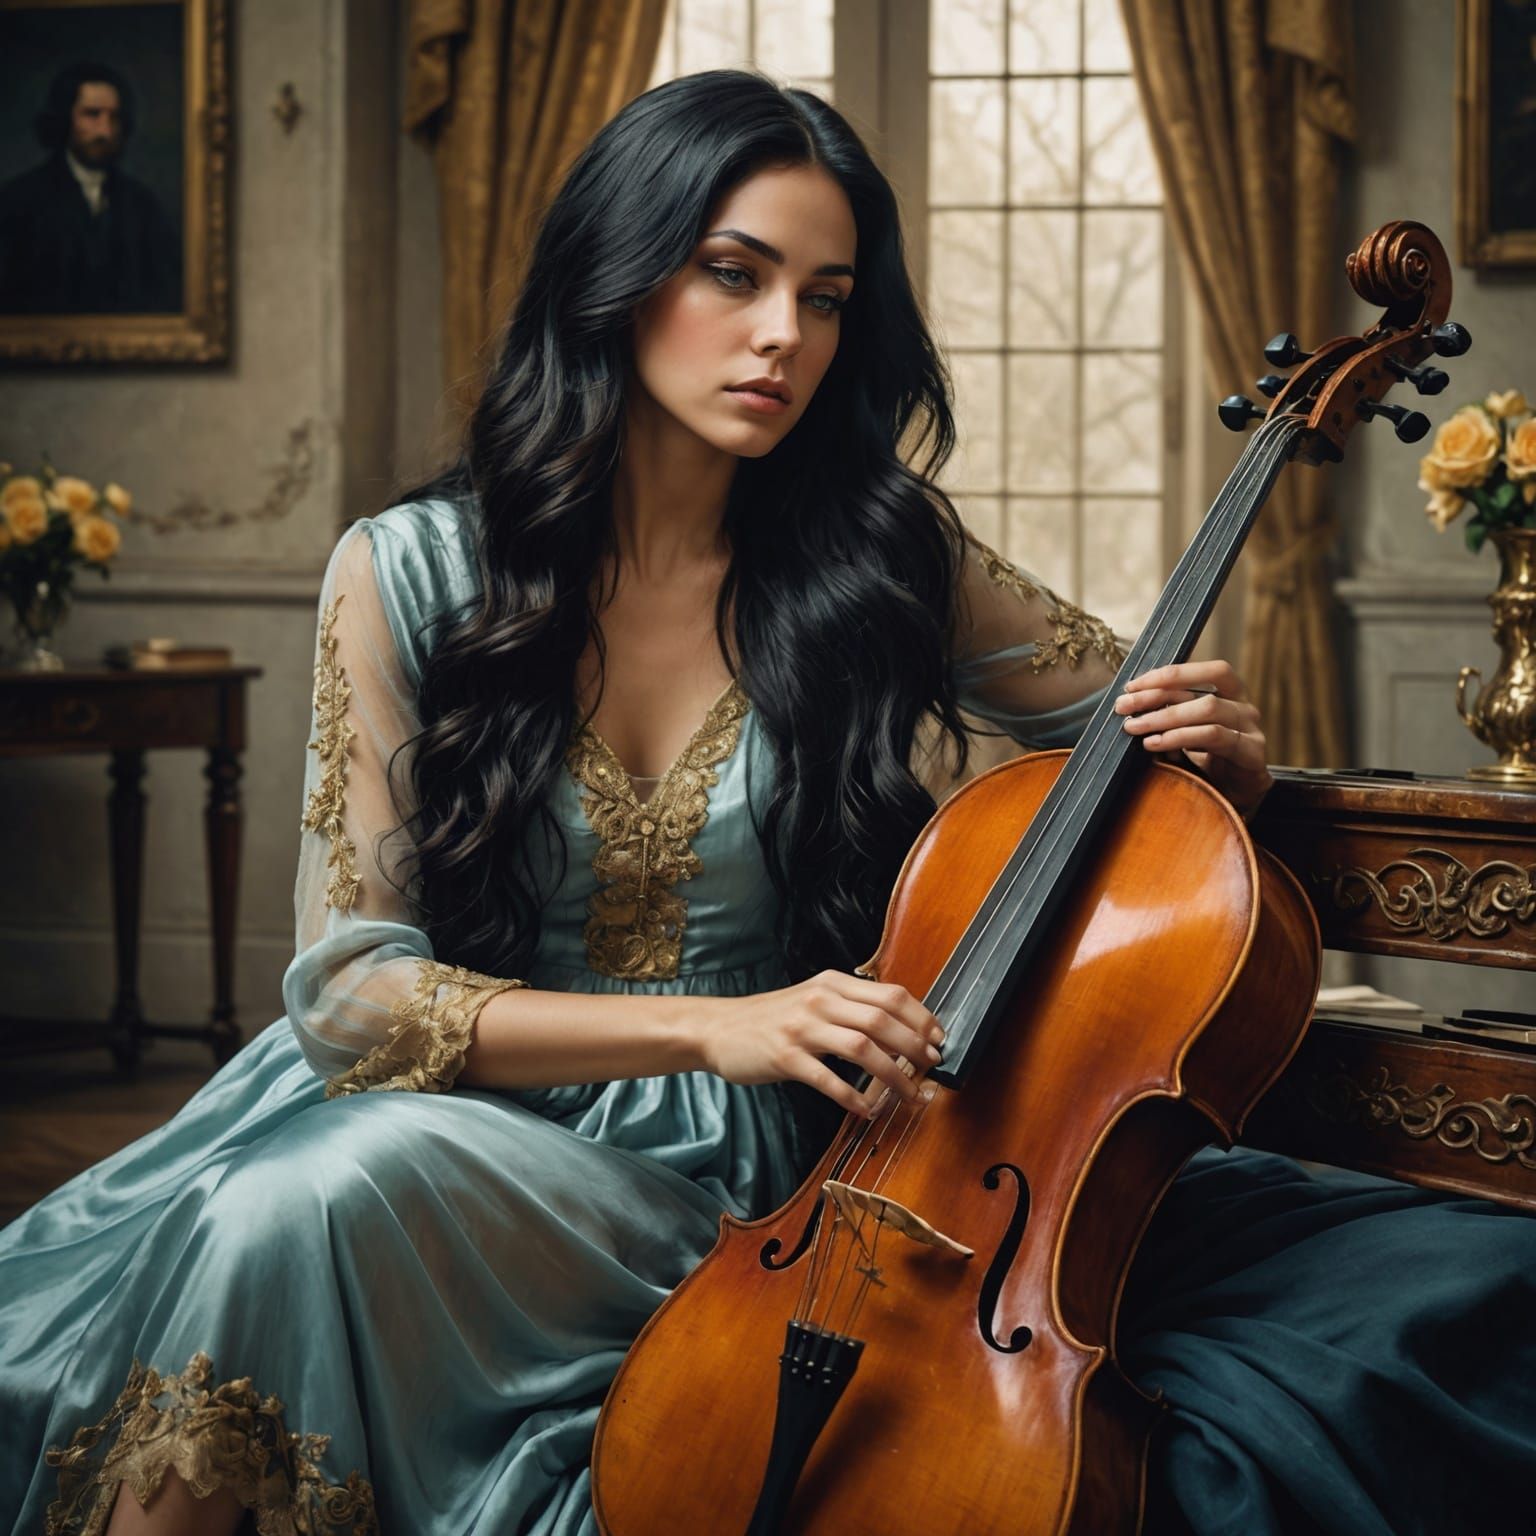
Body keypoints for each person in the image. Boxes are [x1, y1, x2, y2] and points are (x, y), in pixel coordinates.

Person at [2, 67, 1534, 1536]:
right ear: (620, 270)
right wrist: (717, 1023)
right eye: (733, 275)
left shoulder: (883, 555)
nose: (782, 335)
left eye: (826, 297)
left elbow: (1126, 709)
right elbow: (353, 1001)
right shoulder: (402, 569)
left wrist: (1219, 748)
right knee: (291, 1201)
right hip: (466, 1122)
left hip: (774, 1172)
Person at [0, 61, 181, 315]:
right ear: (65, 118)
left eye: (114, 117)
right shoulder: (19, 199)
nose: (105, 131)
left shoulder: (142, 204)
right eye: (92, 114)